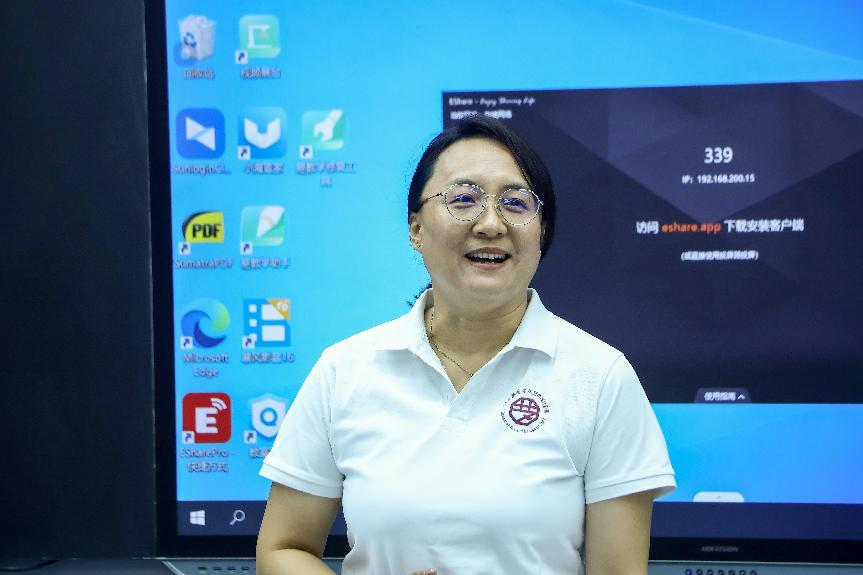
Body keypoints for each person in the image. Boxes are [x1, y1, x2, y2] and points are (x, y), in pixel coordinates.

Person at [256, 114, 675, 575]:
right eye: (463, 199)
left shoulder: (600, 377)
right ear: (416, 228)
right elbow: (281, 550)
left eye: (516, 203)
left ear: (541, 232)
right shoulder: (345, 370)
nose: (491, 223)